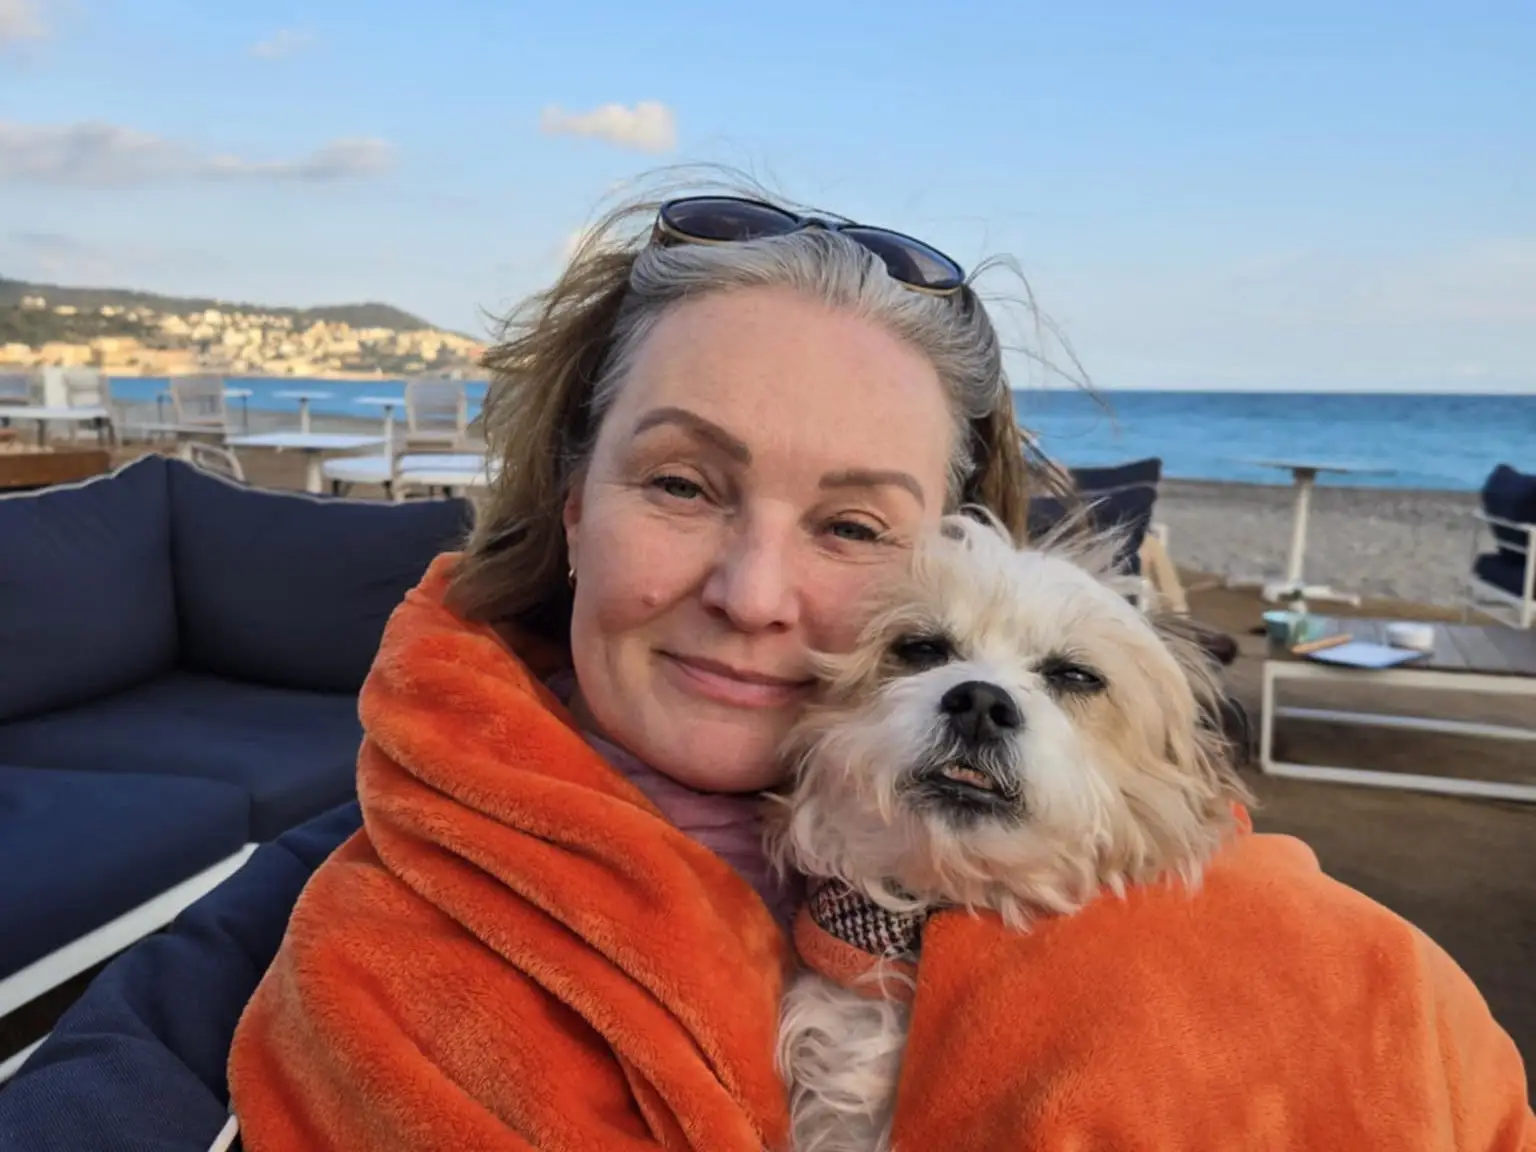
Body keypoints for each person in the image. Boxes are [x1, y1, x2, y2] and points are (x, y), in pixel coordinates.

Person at [1, 177, 1529, 1152]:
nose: (754, 592)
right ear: (566, 502)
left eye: (856, 523)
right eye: (682, 482)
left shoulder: (1277, 948)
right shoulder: (369, 886)